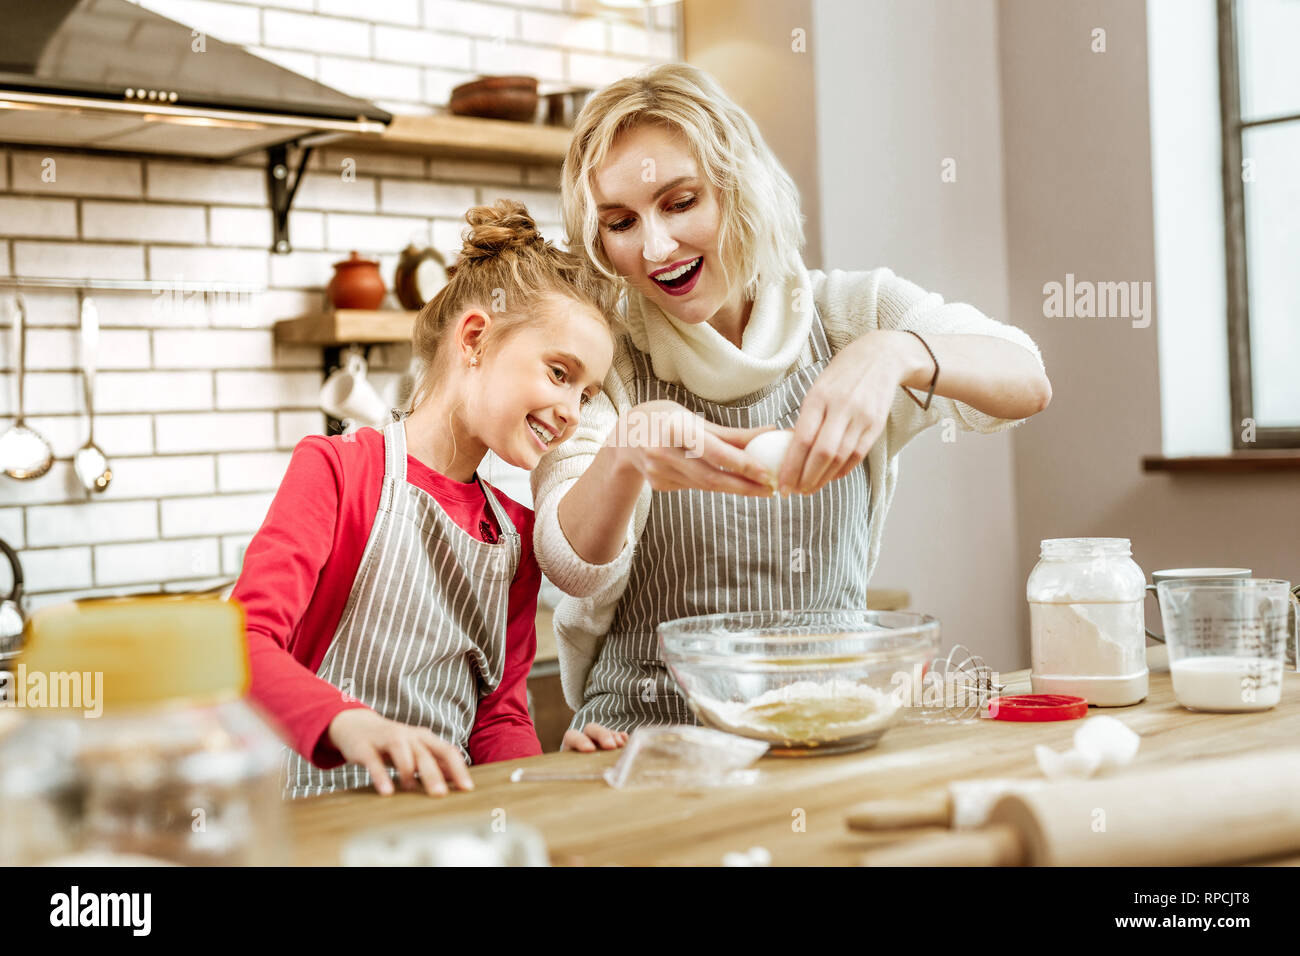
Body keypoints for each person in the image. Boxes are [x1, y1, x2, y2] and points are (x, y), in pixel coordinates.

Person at [532, 64, 1053, 732]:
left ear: (737, 188)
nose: (655, 247)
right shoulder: (605, 354)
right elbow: (565, 561)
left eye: (680, 202)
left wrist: (894, 352)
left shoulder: (847, 313)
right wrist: (625, 455)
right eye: (621, 221)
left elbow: (1026, 378)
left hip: (827, 723)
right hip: (648, 739)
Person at [233, 200, 627, 799]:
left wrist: (541, 777)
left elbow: (499, 718)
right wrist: (347, 720)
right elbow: (243, 644)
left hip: (446, 829)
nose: (573, 412)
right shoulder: (339, 471)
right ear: (475, 337)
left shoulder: (515, 537)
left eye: (587, 393)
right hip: (318, 821)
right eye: (559, 373)